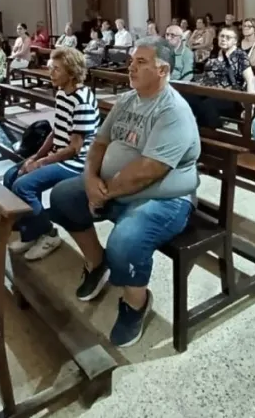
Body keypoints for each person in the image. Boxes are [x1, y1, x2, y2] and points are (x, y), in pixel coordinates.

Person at [48, 37, 199, 347]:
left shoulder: (173, 111)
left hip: (163, 199)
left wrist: (102, 193)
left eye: (141, 62)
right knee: (62, 197)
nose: (132, 66)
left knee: (125, 242)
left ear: (163, 69)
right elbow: (99, 142)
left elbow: (149, 169)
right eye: (132, 60)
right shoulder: (127, 100)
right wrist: (90, 179)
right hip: (112, 189)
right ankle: (96, 262)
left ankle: (135, 303)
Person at [3, 47, 99, 261]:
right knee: (11, 176)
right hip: (61, 154)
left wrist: (42, 162)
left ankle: (48, 233)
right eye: (50, 69)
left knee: (23, 185)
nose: (51, 74)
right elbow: (56, 132)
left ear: (71, 72)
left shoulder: (81, 100)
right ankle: (31, 232)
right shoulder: (63, 93)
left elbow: (74, 148)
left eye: (56, 69)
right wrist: (35, 157)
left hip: (77, 162)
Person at [183, 26, 255, 129]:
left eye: (228, 37)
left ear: (235, 41)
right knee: (186, 97)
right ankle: (191, 132)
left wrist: (250, 106)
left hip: (229, 96)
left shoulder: (240, 55)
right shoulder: (216, 53)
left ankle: (211, 137)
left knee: (207, 105)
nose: (223, 39)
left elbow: (250, 80)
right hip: (207, 90)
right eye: (222, 36)